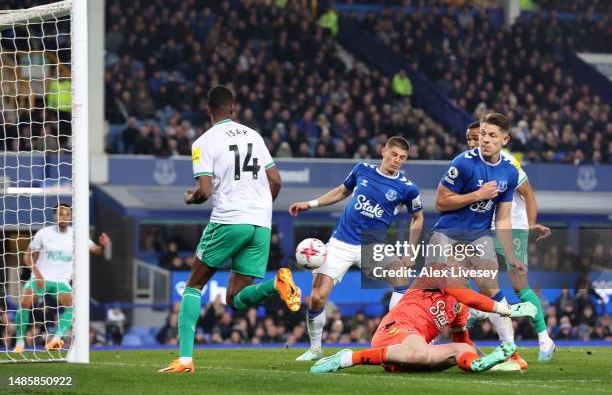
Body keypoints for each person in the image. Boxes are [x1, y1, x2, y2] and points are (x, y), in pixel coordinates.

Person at [159, 86, 300, 373]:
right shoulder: (255, 136)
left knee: (194, 285)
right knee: (235, 299)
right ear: (233, 108)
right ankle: (276, 284)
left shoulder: (203, 142)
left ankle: (185, 359)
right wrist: (259, 207)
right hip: (260, 223)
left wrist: (190, 198)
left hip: (229, 219)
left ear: (208, 109)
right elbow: (276, 180)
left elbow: (204, 191)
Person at [289, 136, 424, 361]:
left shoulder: (407, 188)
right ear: (383, 152)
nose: (396, 161)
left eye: (402, 158)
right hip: (341, 242)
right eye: (393, 155)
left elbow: (417, 218)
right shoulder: (362, 170)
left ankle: (395, 339)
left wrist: (410, 251)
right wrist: (310, 204)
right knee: (316, 298)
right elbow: (341, 191)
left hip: (372, 246)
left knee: (402, 279)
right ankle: (315, 349)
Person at [309, 264, 537, 374]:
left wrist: (478, 354)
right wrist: (506, 309)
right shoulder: (437, 272)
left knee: (458, 352)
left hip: (413, 346)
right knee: (421, 353)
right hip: (396, 330)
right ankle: (348, 358)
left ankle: (478, 366)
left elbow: (462, 340)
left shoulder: (459, 307)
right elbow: (469, 297)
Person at [431, 113, 526, 366]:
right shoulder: (463, 163)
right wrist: (477, 195)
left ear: (504, 139)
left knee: (491, 287)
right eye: (483, 134)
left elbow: (503, 219)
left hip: (479, 236)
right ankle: (427, 345)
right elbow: (440, 202)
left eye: (492, 136)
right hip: (447, 235)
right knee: (445, 292)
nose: (485, 140)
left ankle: (511, 351)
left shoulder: (509, 171)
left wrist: (511, 254)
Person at [465, 121, 556, 365]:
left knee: (519, 286)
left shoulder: (507, 162)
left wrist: (532, 222)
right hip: (486, 227)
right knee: (481, 275)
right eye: (472, 139)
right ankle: (478, 310)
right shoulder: (470, 161)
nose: (475, 143)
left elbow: (528, 194)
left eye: (479, 137)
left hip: (513, 227)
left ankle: (544, 338)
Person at [13, 203, 110, 353]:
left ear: (71, 217)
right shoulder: (43, 233)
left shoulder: (77, 234)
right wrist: (38, 275)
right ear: (54, 216)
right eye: (60, 214)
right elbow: (27, 256)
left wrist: (104, 246)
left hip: (61, 281)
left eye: (67, 214)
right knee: (25, 302)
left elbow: (97, 251)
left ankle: (56, 338)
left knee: (73, 306)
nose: (64, 217)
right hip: (41, 277)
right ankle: (19, 343)